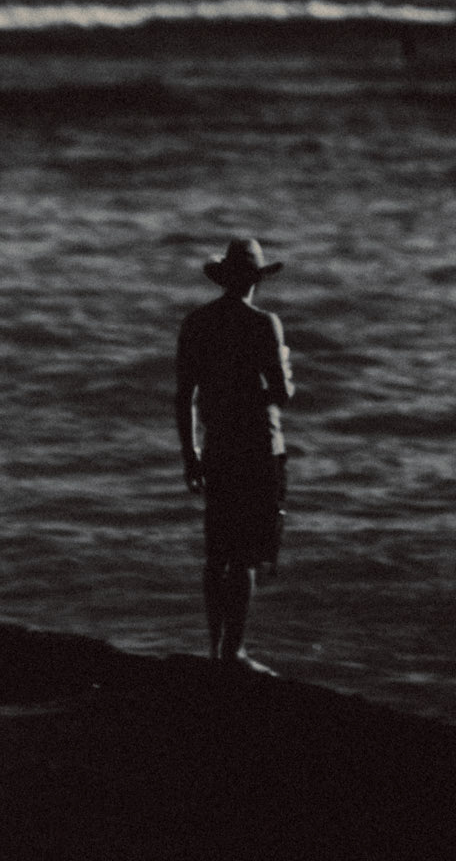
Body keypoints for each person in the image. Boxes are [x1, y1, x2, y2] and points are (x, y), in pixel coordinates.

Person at [175, 237, 294, 670]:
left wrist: (191, 454)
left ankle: (214, 647)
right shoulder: (265, 325)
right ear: (256, 280)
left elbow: (183, 397)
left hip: (219, 446)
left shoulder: (197, 323)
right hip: (259, 448)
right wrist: (281, 364)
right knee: (245, 555)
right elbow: (282, 395)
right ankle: (235, 651)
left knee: (216, 554)